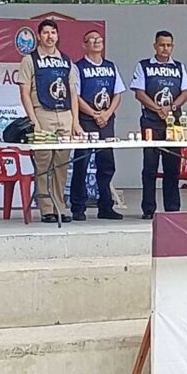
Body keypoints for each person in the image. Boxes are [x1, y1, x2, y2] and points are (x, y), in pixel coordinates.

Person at [18, 19, 83, 224]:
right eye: (45, 32)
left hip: (65, 115)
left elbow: (73, 93)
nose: (50, 36)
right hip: (42, 114)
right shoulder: (30, 60)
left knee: (61, 164)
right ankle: (46, 209)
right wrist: (34, 120)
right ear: (39, 36)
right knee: (43, 162)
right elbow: (24, 92)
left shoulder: (66, 60)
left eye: (53, 32)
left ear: (57, 36)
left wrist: (75, 122)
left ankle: (59, 206)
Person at [131, 30, 187, 219]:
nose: (165, 48)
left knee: (172, 167)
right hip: (150, 121)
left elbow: (185, 93)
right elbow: (139, 93)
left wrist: (172, 107)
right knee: (149, 167)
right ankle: (149, 209)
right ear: (155, 46)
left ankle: (172, 209)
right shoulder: (144, 66)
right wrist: (157, 108)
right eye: (162, 45)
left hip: (174, 124)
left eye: (169, 45)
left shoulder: (179, 67)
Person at [70, 30, 125, 221]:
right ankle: (78, 207)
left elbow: (118, 94)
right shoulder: (78, 67)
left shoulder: (111, 66)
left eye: (99, 39)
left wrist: (107, 114)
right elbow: (75, 96)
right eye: (91, 40)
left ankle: (106, 206)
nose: (96, 42)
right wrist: (93, 113)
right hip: (86, 121)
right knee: (81, 163)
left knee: (107, 164)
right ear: (84, 44)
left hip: (106, 122)